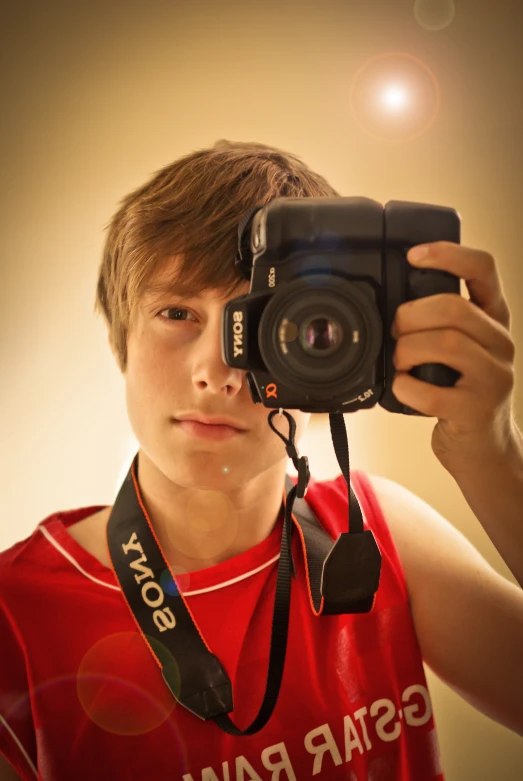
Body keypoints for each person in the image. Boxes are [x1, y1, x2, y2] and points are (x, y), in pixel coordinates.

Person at [1, 140, 522, 781]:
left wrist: (494, 454)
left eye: (266, 321)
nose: (215, 371)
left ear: (342, 354)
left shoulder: (382, 538)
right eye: (176, 313)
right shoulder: (15, 615)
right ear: (121, 338)